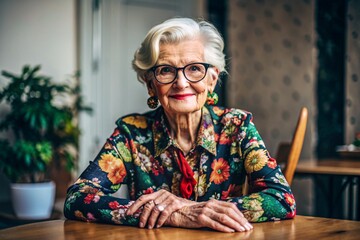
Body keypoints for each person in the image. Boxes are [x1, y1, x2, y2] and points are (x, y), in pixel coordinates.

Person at [64, 17, 296, 233]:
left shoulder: (236, 126)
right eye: (166, 70)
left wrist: (200, 208)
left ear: (212, 79)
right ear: (150, 84)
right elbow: (77, 198)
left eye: (194, 68)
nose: (181, 82)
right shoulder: (132, 133)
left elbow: (282, 199)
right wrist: (175, 213)